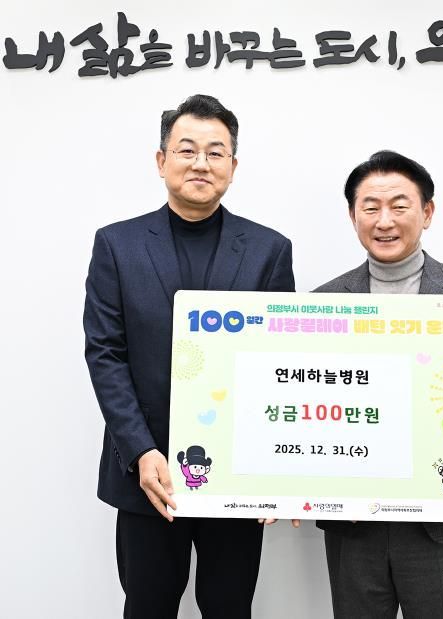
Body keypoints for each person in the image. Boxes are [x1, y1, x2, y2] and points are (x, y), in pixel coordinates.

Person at [83, 94, 295, 619]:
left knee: (229, 607)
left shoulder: (269, 250)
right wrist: (141, 451)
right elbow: (105, 354)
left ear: (233, 167)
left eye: (215, 152)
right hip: (148, 473)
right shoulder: (117, 245)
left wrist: (274, 467)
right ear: (162, 161)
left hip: (239, 474)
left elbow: (279, 363)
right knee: (148, 606)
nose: (201, 163)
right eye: (187, 150)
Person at [313, 150, 443, 619]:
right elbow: (313, 400)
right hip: (353, 520)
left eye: (399, 206)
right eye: (370, 207)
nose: (384, 221)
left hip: (438, 518)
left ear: (427, 212)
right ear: (353, 216)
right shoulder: (325, 301)